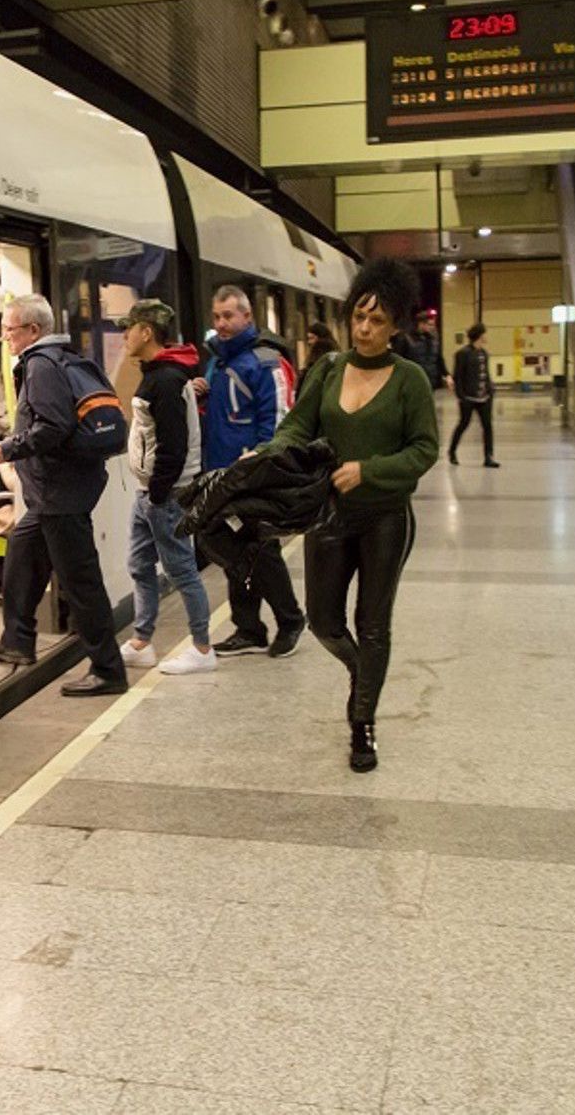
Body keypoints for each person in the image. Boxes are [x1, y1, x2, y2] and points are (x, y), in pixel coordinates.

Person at [265, 258, 439, 772]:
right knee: (323, 620)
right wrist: (275, 452)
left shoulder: (409, 380)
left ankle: (363, 723)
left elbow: (425, 449)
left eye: (378, 321)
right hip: (330, 517)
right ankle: (364, 674)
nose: (364, 329)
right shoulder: (329, 368)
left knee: (373, 623)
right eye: (359, 317)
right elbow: (298, 424)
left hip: (386, 518)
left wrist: (369, 469)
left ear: (396, 326)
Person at [0, 293, 127, 696]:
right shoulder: (63, 357)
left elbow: (54, 427)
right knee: (21, 555)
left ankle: (108, 670)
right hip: (59, 492)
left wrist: (7, 448)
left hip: (60, 494)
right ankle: (17, 640)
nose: (5, 336)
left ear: (32, 330)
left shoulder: (41, 365)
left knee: (81, 583)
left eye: (10, 329)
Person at [195, 285, 306, 659]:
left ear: (247, 317)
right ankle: (249, 628)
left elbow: (277, 421)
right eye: (217, 317)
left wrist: (260, 460)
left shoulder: (265, 362)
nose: (222, 324)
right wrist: (202, 395)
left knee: (260, 549)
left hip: (253, 475)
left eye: (229, 316)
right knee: (233, 551)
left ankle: (290, 620)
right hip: (221, 475)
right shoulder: (218, 363)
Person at [118, 302, 216, 675]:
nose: (125, 335)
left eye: (129, 328)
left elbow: (173, 446)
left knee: (181, 570)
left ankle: (203, 648)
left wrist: (158, 493)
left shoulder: (165, 381)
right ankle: (142, 641)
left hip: (164, 494)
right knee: (139, 564)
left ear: (146, 332)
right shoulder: (161, 375)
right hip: (149, 493)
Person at [449, 322, 499, 468]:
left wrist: (490, 389)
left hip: (485, 397)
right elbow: (457, 376)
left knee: (487, 426)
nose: (486, 336)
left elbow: (486, 374)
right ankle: (452, 451)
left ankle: (489, 456)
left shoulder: (484, 353)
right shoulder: (463, 354)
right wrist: (461, 396)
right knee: (463, 424)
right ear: (479, 335)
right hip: (468, 398)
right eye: (484, 333)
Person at [392, 308, 452, 392]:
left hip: (430, 383)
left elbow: (439, 360)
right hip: (412, 383)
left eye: (433, 325)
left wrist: (447, 375)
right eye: (430, 325)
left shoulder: (434, 340)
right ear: (421, 324)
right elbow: (397, 361)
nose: (433, 328)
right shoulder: (405, 338)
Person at [299, 321, 339, 390]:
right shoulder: (337, 356)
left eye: (312, 338)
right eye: (308, 339)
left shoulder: (318, 361)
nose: (309, 342)